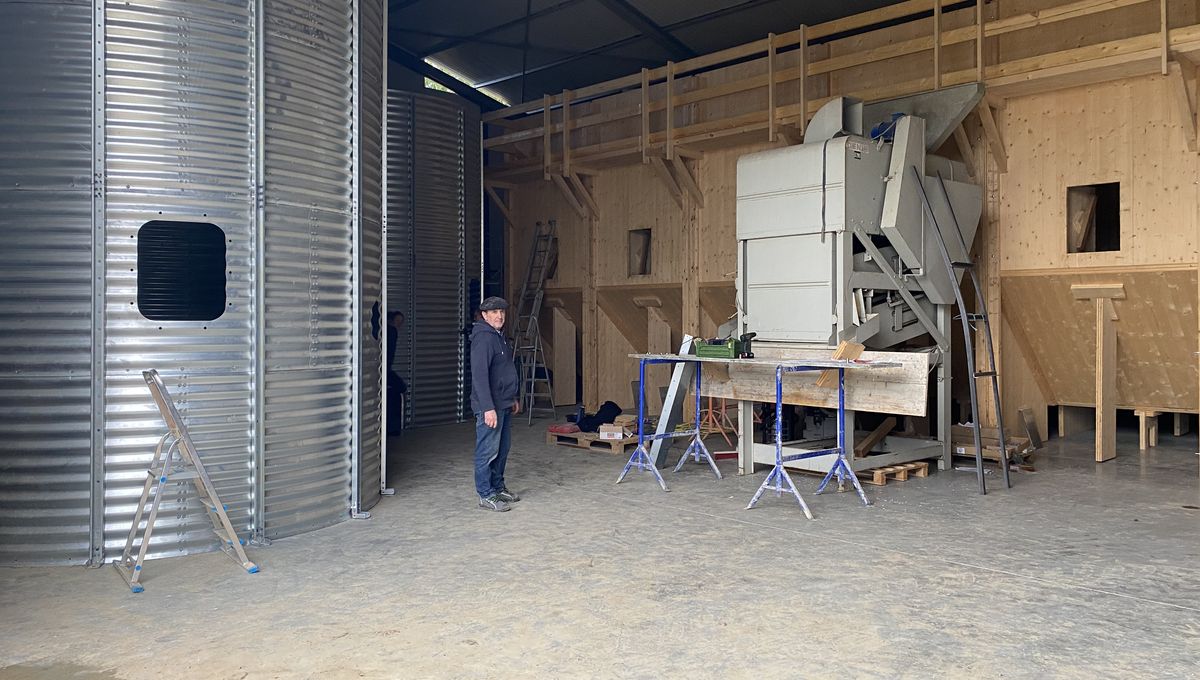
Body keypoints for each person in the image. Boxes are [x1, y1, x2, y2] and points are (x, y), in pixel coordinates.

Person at [470, 297, 521, 512]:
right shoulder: (483, 338)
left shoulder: (499, 337)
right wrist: (488, 408)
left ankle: (498, 487)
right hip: (490, 406)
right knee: (487, 450)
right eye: (494, 312)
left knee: (502, 449)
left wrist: (512, 398)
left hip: (503, 403)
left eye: (502, 312)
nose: (499, 316)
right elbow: (480, 376)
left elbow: (504, 370)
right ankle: (485, 494)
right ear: (484, 315)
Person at [386, 310, 407, 435]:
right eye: (398, 321)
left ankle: (392, 428)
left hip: (386, 370)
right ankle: (393, 428)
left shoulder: (389, 331)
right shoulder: (391, 331)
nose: (400, 324)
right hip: (386, 370)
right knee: (400, 388)